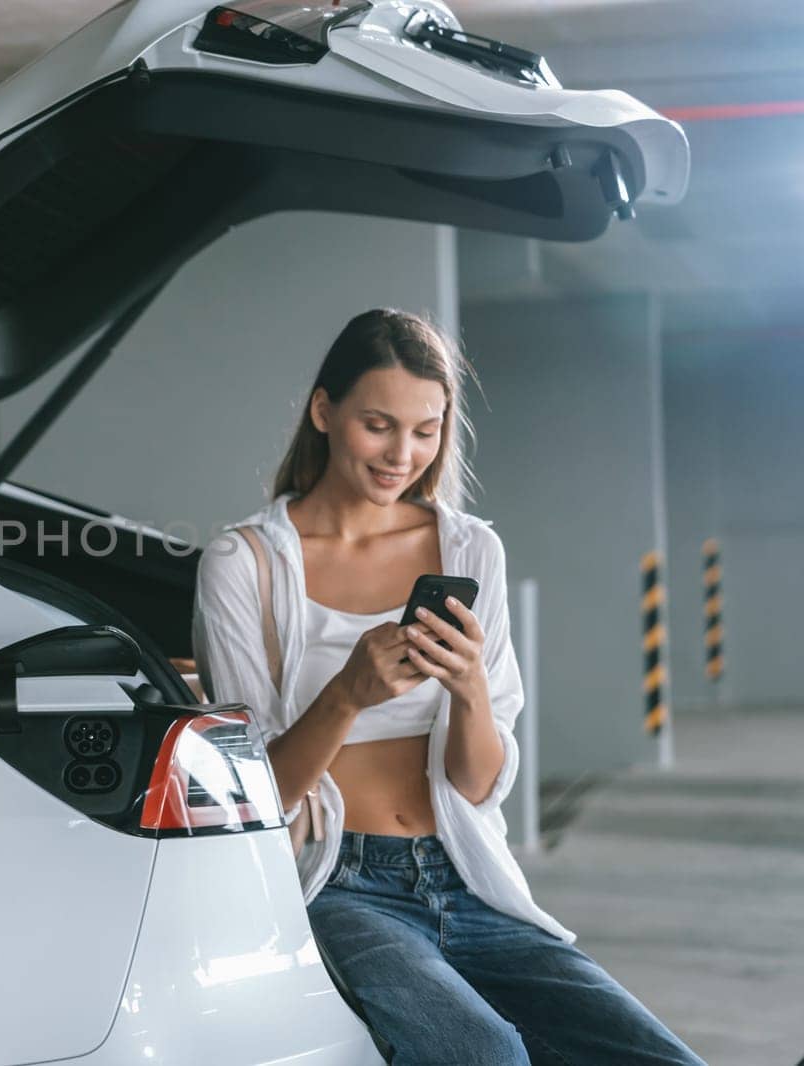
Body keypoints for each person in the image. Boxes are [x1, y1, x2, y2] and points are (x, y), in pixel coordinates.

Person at [191, 309, 702, 1065]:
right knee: (484, 1054)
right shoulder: (243, 565)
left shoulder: (469, 549)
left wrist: (468, 689)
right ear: (324, 411)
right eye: (378, 424)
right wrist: (346, 695)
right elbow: (259, 796)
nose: (403, 454)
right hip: (340, 886)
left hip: (465, 871)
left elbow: (479, 782)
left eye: (426, 430)